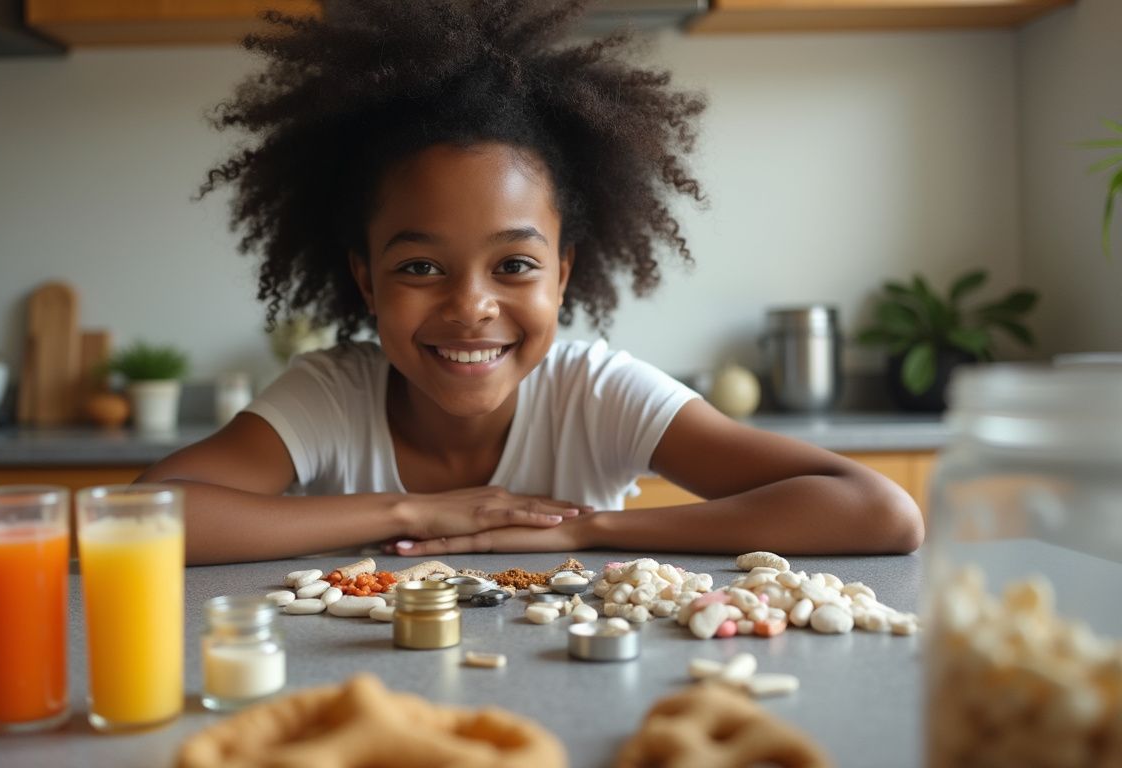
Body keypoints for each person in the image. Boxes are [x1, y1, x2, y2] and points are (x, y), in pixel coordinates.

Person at [140, 0, 924, 565]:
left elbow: (880, 512)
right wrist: (417, 512)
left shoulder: (600, 395)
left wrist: (587, 532)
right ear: (365, 279)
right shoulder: (331, 397)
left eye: (514, 265)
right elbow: (144, 517)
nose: (470, 306)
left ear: (565, 272)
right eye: (419, 267)